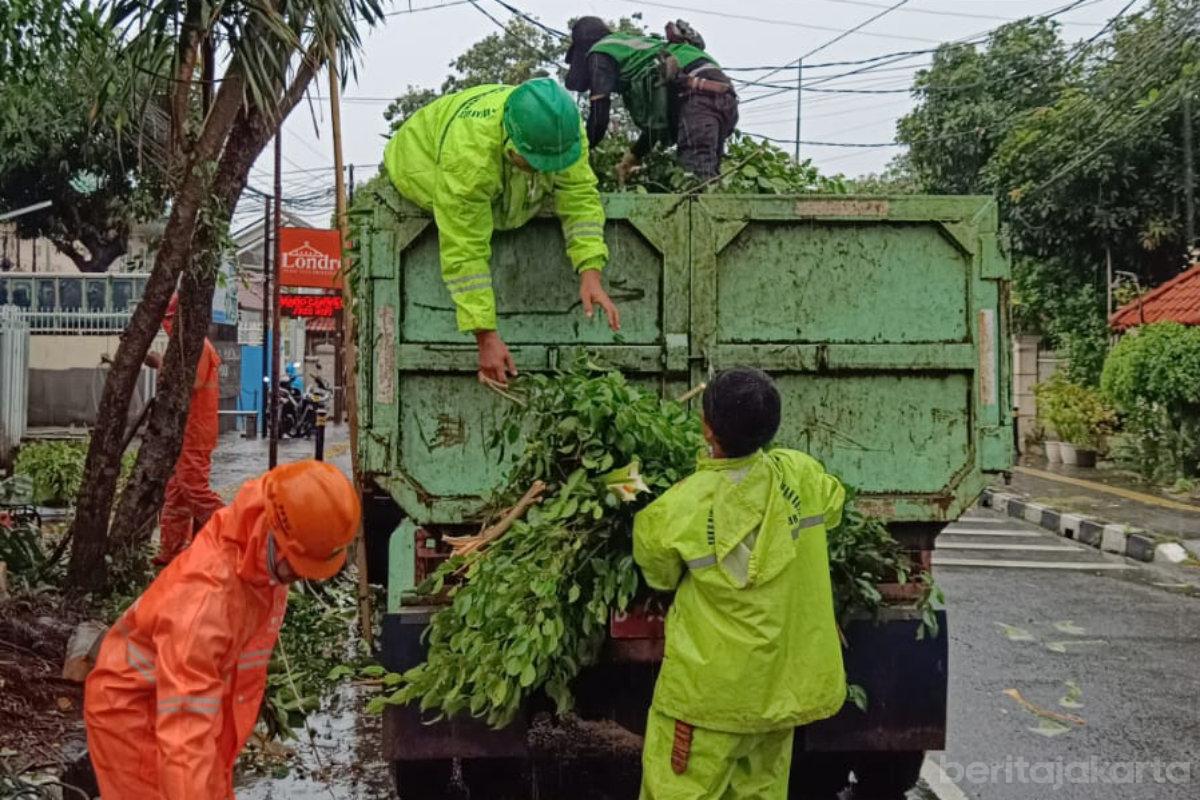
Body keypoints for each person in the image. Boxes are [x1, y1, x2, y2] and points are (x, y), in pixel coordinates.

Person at [84, 460, 361, 800]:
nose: (300, 577)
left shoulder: (259, 541)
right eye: (297, 567)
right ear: (275, 534)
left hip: (188, 707)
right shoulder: (205, 604)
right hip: (135, 720)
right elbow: (185, 735)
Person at [632, 368, 847, 799]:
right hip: (777, 700)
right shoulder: (802, 476)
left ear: (706, 427)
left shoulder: (677, 507)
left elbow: (659, 575)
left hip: (704, 702)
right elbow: (835, 505)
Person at [384, 77, 621, 386]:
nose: (543, 170)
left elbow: (579, 197)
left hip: (485, 160)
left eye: (551, 163)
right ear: (510, 144)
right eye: (535, 163)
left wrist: (591, 271)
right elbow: (464, 249)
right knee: (463, 217)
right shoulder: (469, 158)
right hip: (418, 163)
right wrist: (485, 336)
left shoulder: (564, 133)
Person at [565, 18, 739, 181]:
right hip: (723, 97)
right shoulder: (635, 51)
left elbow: (598, 119)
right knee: (709, 176)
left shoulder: (599, 53)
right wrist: (632, 157)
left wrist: (573, 156)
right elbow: (656, 123)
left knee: (695, 183)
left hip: (696, 96)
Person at [144, 293, 224, 565]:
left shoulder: (197, 346)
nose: (167, 325)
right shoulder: (185, 346)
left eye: (170, 319)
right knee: (176, 494)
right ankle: (172, 551)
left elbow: (193, 383)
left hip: (196, 430)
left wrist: (160, 364)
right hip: (186, 430)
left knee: (192, 488)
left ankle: (236, 530)